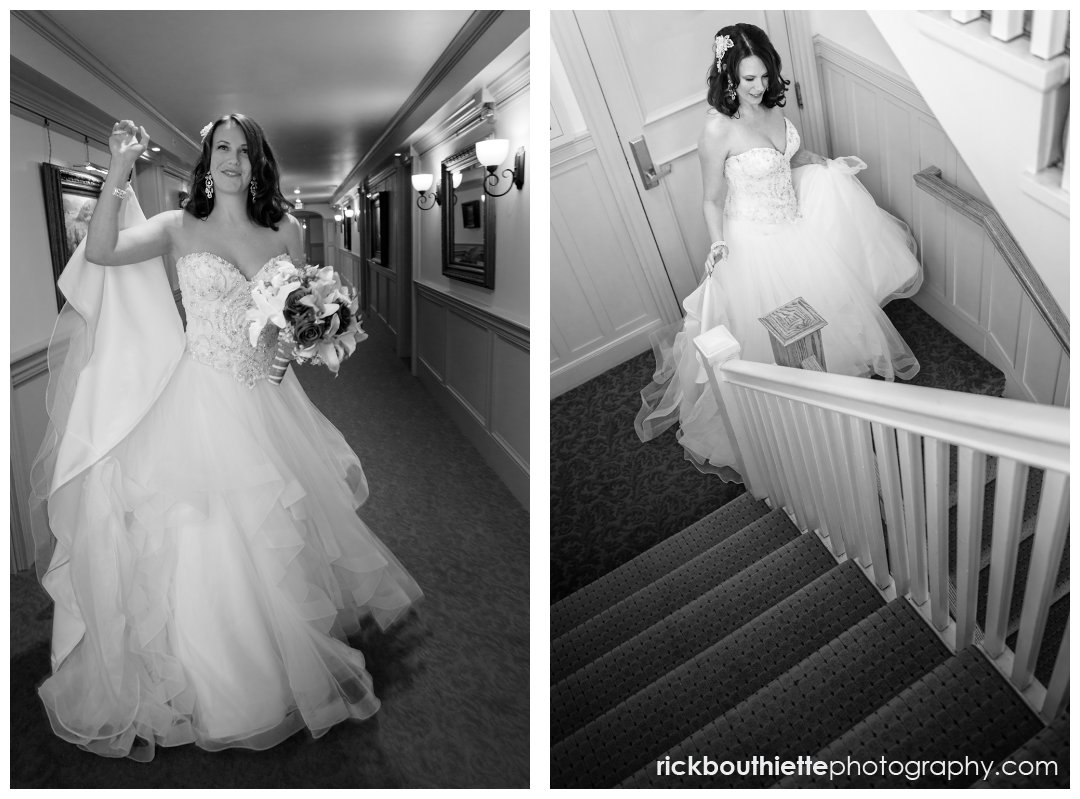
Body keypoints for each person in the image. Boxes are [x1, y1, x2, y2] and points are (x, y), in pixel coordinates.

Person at [29, 114, 422, 761]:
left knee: (271, 535)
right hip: (196, 397)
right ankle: (213, 686)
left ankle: (273, 668)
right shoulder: (179, 226)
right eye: (221, 149)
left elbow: (292, 322)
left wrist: (287, 351)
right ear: (206, 162)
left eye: (244, 150)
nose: (232, 160)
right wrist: (120, 170)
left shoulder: (285, 229)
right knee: (199, 538)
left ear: (259, 162)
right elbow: (99, 252)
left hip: (263, 400)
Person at [635, 23, 922, 480]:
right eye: (749, 79)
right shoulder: (717, 129)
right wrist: (719, 243)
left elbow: (790, 156)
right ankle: (790, 413)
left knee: (823, 318)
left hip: (796, 229)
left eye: (765, 77)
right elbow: (711, 198)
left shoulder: (771, 107)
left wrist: (827, 166)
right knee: (770, 336)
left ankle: (829, 386)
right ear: (728, 74)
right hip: (752, 242)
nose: (759, 88)